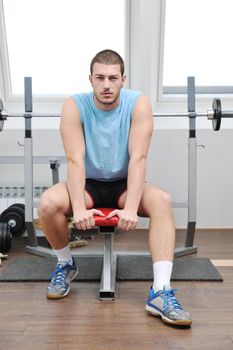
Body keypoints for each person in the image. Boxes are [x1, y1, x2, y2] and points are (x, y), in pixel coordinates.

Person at [38, 49, 192, 326]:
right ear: (90, 79)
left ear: (123, 79)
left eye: (112, 78)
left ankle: (160, 291)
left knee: (163, 201)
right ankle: (65, 263)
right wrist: (79, 208)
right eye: (100, 78)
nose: (106, 85)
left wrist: (131, 209)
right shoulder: (74, 105)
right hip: (87, 183)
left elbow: (139, 157)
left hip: (124, 183)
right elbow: (74, 159)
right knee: (48, 203)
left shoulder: (138, 103)